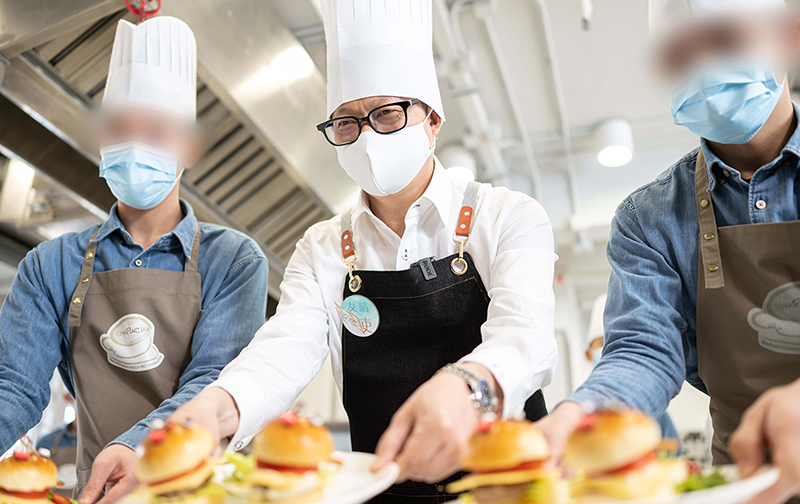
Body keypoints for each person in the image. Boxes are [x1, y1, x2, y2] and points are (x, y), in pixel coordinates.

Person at [170, 0, 558, 502]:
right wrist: (216, 409)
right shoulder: (324, 248)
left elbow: (525, 337)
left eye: (388, 113)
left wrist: (467, 385)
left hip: (509, 486)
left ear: (432, 119)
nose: (368, 136)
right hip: (382, 491)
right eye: (347, 123)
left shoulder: (505, 216)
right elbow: (284, 349)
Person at [538, 1, 800, 503]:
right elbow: (644, 350)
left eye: (724, 40)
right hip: (740, 480)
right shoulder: (648, 218)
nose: (702, 67)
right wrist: (582, 415)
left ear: (787, 37)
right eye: (680, 56)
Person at [0, 16, 269, 503]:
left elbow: (214, 379)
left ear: (188, 146)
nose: (134, 146)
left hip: (207, 493)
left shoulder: (233, 259)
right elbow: (14, 387)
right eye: (120, 130)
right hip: (99, 493)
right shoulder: (50, 264)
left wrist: (135, 447)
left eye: (155, 131)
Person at [584, 294, 681, 451]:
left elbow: (674, 459)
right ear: (588, 354)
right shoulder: (575, 416)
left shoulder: (656, 416)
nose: (613, 353)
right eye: (603, 343)